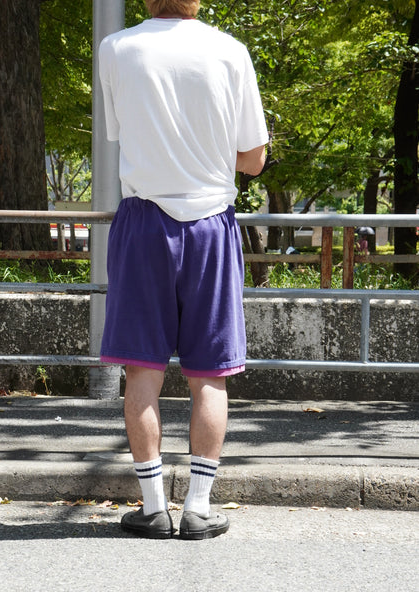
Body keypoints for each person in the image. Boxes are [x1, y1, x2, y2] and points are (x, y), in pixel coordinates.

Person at [98, 0, 268, 539]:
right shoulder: (230, 51)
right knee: (209, 375)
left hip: (144, 220)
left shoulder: (117, 48)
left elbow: (120, 129)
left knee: (141, 371)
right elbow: (254, 158)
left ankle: (153, 506)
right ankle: (197, 506)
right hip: (211, 222)